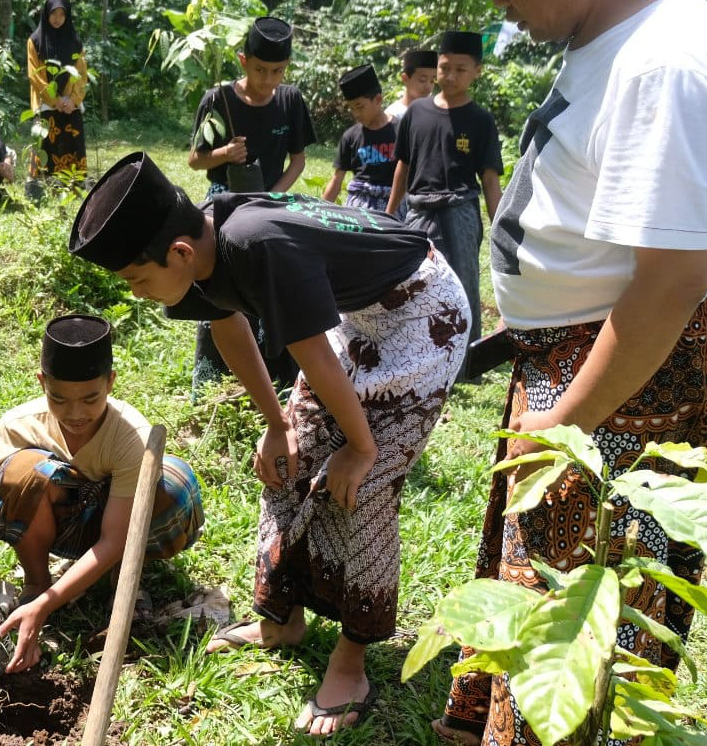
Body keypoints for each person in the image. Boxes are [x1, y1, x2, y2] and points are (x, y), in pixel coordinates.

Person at [433, 0, 707, 746]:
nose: (497, 1)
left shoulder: (668, 64)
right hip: (580, 367)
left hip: (630, 381)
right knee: (537, 609)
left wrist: (564, 416)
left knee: (584, 628)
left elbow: (669, 284)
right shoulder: (617, 32)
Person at [69, 152, 469, 737]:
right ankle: (283, 619)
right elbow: (228, 326)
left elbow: (312, 353)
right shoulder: (205, 243)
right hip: (360, 317)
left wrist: (360, 447)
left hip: (421, 314)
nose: (139, 294)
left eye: (137, 280)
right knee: (289, 463)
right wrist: (277, 424)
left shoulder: (258, 246)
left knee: (363, 490)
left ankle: (351, 663)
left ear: (178, 253)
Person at [0, 315, 203, 674]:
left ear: (111, 382)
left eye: (91, 399)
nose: (76, 414)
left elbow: (115, 538)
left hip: (121, 528)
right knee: (25, 470)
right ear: (42, 382)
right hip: (62, 525)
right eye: (59, 399)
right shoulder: (18, 426)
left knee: (172, 482)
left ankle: (122, 579)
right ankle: (36, 583)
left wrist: (48, 606)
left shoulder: (130, 435)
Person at [186, 16, 316, 392]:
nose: (268, 80)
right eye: (261, 70)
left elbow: (299, 161)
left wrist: (273, 196)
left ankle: (270, 383)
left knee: (268, 289)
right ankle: (213, 383)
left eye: (278, 71)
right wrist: (224, 153)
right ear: (243, 61)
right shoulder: (218, 99)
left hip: (270, 204)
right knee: (218, 293)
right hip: (223, 206)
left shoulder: (290, 101)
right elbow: (196, 159)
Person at [386, 30, 504, 365]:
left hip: (460, 211)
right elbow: (402, 167)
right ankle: (418, 356)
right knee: (415, 282)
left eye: (461, 69)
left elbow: (490, 180)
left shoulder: (481, 120)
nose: (450, 76)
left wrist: (501, 228)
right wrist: (390, 213)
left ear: (477, 71)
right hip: (419, 210)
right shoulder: (416, 113)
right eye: (444, 67)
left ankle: (466, 361)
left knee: (463, 283)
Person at [322, 63, 402, 218]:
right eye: (351, 108)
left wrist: (390, 213)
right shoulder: (351, 136)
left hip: (394, 202)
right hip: (359, 203)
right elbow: (337, 179)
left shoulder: (401, 131)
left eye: (359, 106)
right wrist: (320, 211)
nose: (356, 113)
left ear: (378, 99)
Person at [26, 0, 88, 187]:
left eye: (62, 15)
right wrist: (55, 100)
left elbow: (81, 75)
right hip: (46, 102)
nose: (57, 19)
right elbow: (34, 75)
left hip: (70, 102)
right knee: (44, 142)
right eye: (54, 14)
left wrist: (73, 100)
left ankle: (74, 181)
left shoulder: (76, 42)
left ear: (67, 16)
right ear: (46, 13)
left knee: (72, 140)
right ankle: (41, 182)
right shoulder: (35, 41)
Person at [386, 48, 439, 121]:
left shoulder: (436, 112)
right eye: (422, 80)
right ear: (405, 79)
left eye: (432, 81)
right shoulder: (394, 116)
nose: (428, 86)